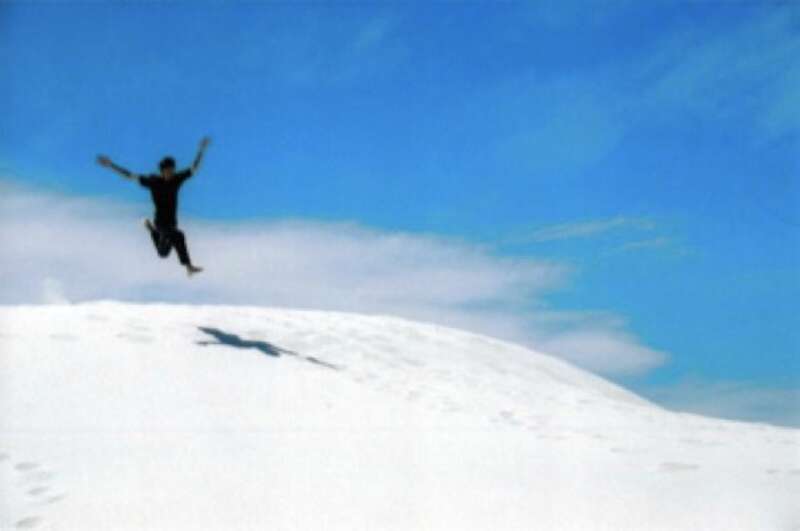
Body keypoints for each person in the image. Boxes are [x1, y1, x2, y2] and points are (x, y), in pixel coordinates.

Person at [97, 137, 211, 276]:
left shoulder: (176, 180)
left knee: (163, 254)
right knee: (179, 236)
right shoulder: (153, 182)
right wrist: (111, 165)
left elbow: (194, 169)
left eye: (172, 170)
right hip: (161, 223)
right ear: (162, 171)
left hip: (172, 223)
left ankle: (151, 231)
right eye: (167, 170)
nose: (170, 173)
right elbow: (130, 176)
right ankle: (189, 268)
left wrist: (201, 150)